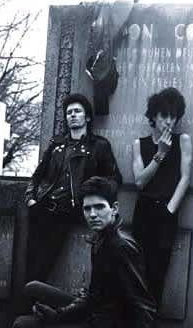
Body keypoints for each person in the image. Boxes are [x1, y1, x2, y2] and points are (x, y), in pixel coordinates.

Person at [12, 176, 175, 328]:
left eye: (99, 207)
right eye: (87, 209)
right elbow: (93, 296)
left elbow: (141, 302)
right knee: (32, 287)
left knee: (20, 325)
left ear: (114, 208)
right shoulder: (101, 238)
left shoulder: (121, 246)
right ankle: (58, 322)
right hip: (95, 311)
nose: (92, 214)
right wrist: (59, 315)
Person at [23, 93, 122, 284]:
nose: (73, 115)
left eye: (77, 111)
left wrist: (92, 196)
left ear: (87, 117)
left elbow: (114, 179)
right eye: (69, 112)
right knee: (29, 265)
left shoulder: (99, 146)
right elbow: (37, 175)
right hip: (41, 208)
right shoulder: (57, 144)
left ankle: (33, 300)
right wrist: (31, 199)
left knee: (43, 268)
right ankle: (26, 302)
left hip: (68, 211)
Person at [132, 88, 193, 309]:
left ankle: (150, 324)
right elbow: (140, 182)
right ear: (153, 116)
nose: (169, 121)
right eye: (164, 116)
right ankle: (134, 323)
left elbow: (185, 178)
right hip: (143, 211)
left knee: (158, 272)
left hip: (167, 211)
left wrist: (170, 210)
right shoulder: (139, 144)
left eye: (173, 116)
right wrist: (160, 153)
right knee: (138, 270)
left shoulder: (183, 140)